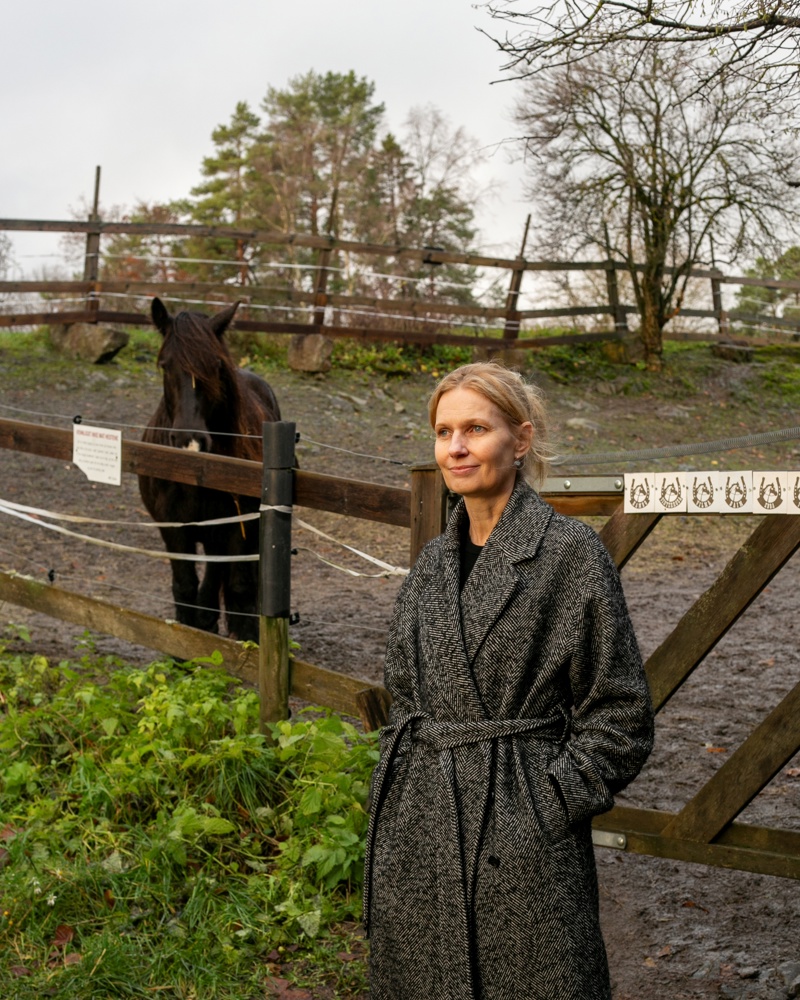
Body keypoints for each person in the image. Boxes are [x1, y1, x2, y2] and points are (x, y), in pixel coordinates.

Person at [364, 362, 654, 1000]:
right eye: (443, 432)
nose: (456, 447)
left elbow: (621, 714)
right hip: (422, 828)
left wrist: (548, 806)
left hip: (525, 839)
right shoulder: (430, 567)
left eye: (475, 428)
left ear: (520, 440)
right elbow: (405, 698)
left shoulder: (569, 554)